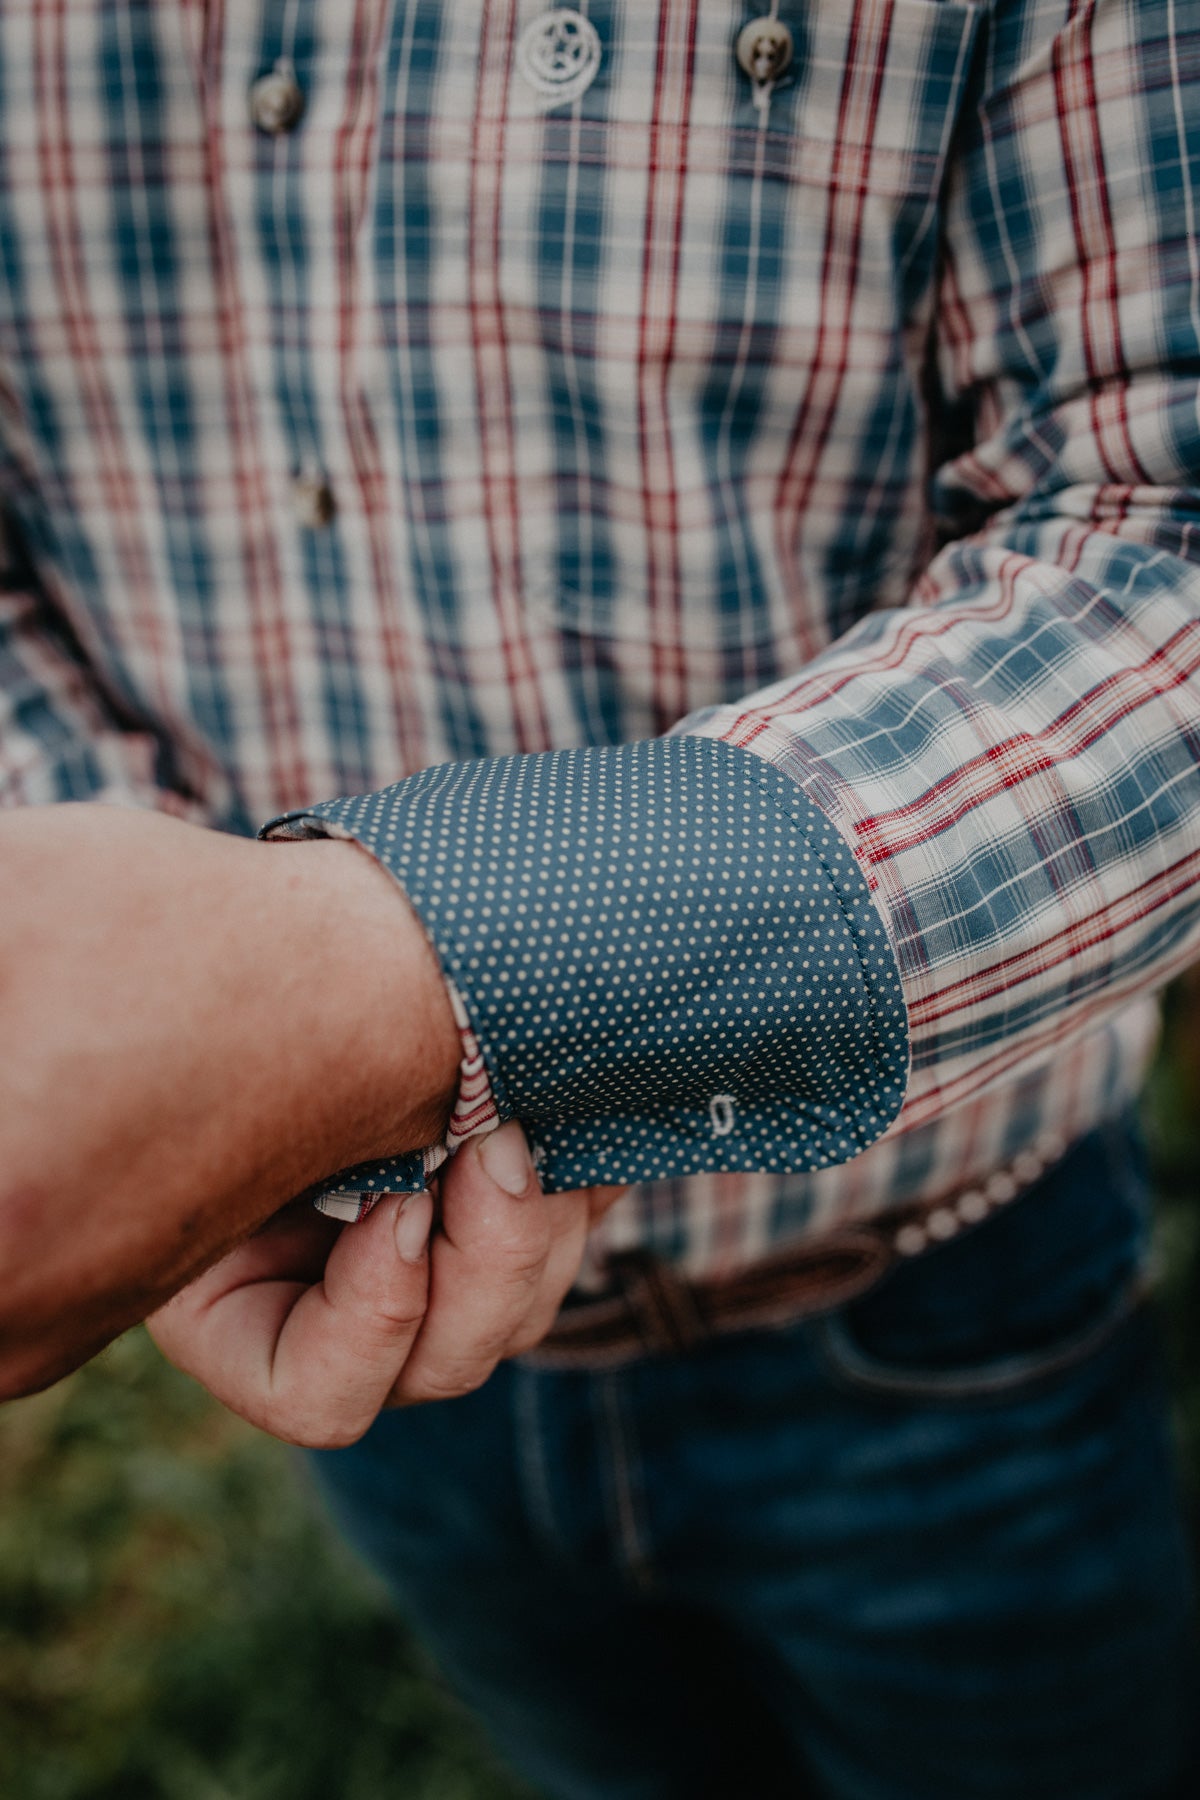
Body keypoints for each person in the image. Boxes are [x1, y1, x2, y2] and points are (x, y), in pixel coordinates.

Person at [1, 0, 1198, 1792]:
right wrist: (122, 1008)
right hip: (349, 1328)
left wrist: (376, 986)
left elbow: (1162, 525)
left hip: (934, 1302)